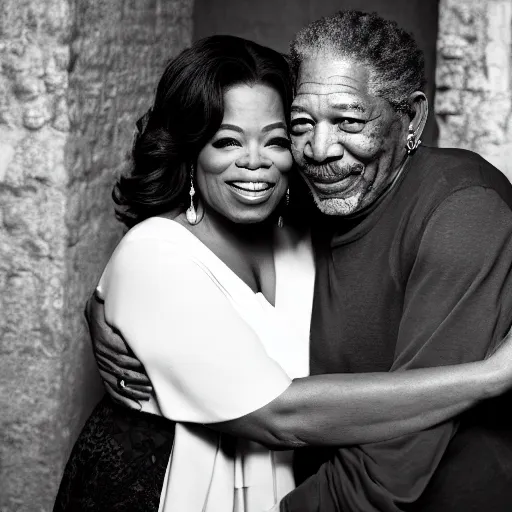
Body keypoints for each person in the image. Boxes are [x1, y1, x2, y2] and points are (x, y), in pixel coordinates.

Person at [60, 25, 512, 512]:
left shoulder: (320, 226)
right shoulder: (166, 252)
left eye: (276, 139)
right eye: (300, 127)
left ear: (412, 118)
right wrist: (491, 376)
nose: (319, 150)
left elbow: (390, 466)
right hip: (164, 485)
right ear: (191, 150)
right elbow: (280, 412)